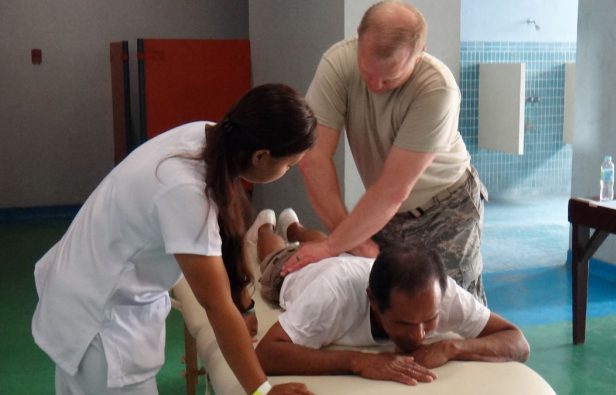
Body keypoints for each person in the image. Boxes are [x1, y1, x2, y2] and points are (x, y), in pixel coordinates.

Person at [32, 84, 315, 395]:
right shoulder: (185, 191)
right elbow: (215, 304)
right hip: (100, 325)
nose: (288, 171)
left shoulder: (209, 135)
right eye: (289, 165)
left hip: (84, 291)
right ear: (261, 156)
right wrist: (262, 390)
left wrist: (243, 309)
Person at [286, 0, 489, 305]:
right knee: (385, 306)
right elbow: (313, 160)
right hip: (387, 212)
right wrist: (352, 243)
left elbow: (393, 189)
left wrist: (334, 245)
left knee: (446, 308)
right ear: (359, 40)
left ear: (418, 56)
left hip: (447, 208)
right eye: (367, 73)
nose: (376, 86)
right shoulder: (338, 64)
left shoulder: (437, 90)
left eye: (389, 78)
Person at [246, 209, 529, 385]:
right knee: (275, 255)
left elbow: (517, 342)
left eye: (429, 321)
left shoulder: (440, 291)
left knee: (321, 243)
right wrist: (358, 362)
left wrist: (451, 348)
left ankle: (293, 224)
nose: (419, 337)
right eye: (404, 324)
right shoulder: (330, 297)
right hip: (298, 274)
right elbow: (267, 354)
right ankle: (266, 226)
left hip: (343, 259)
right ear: (373, 300)